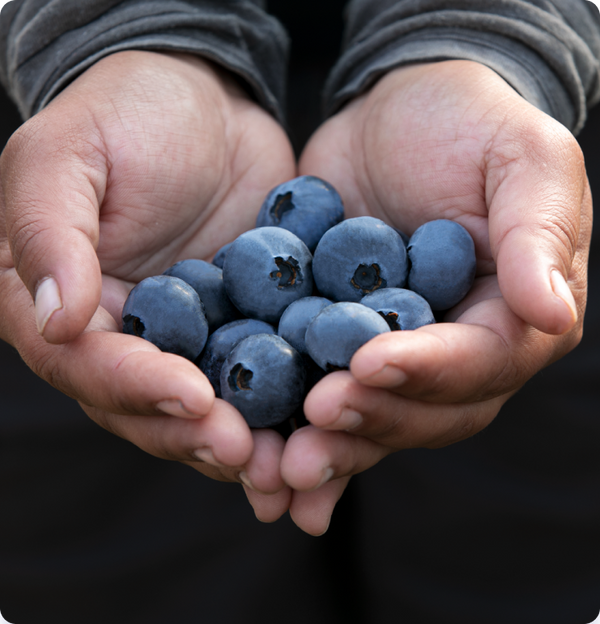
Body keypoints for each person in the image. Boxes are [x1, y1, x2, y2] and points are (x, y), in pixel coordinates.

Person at [0, 1, 598, 622]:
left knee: (513, 566)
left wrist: (468, 34)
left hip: (479, 139)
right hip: (118, 182)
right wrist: (123, 30)